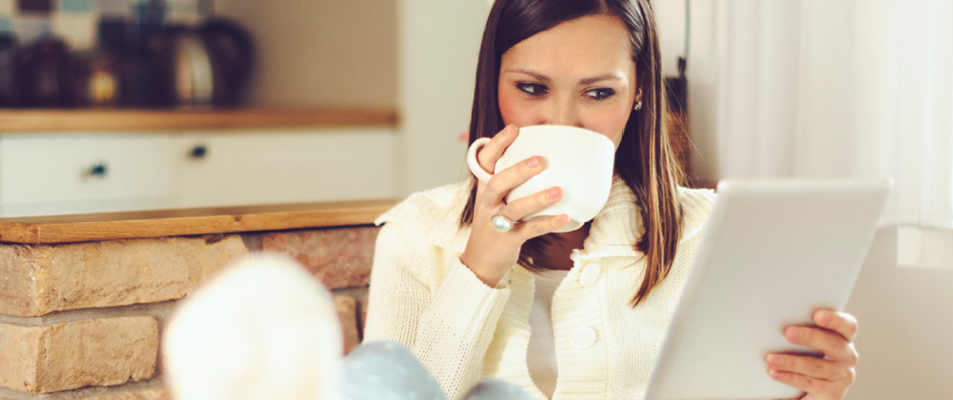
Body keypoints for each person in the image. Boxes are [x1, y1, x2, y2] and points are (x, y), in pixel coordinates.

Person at [362, 1, 860, 399]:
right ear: (492, 84)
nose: (562, 120)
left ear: (638, 91)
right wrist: (478, 268)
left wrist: (814, 393)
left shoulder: (709, 234)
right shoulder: (415, 238)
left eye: (598, 93)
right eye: (531, 88)